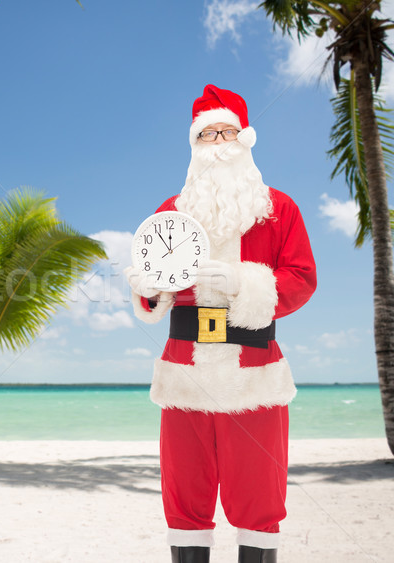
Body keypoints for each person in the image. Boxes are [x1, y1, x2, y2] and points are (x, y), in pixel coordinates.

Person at [125, 85, 317, 563]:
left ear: (244, 140)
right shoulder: (169, 212)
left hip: (254, 374)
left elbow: (302, 278)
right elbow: (158, 290)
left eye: (226, 132)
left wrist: (241, 282)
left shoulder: (281, 209)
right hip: (184, 372)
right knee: (184, 498)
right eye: (207, 134)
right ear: (195, 145)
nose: (217, 142)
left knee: (259, 500)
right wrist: (146, 287)